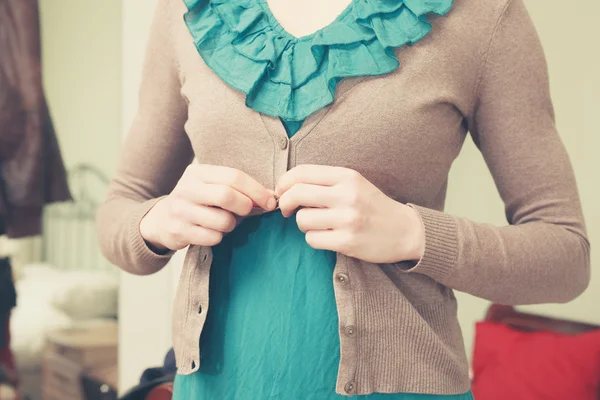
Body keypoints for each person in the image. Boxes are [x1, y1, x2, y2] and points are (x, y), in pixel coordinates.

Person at [97, 0, 590, 398]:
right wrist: (157, 223)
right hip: (215, 386)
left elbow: (566, 255)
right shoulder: (189, 12)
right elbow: (120, 210)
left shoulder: (483, 15)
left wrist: (412, 234)